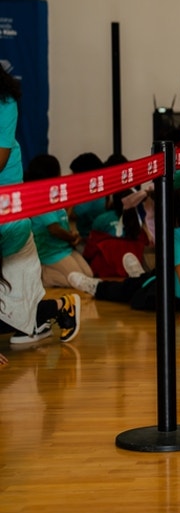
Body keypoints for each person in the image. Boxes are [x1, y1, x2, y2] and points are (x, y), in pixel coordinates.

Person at [0, 68, 80, 346]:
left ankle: (57, 307)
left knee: (15, 311)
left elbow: (0, 160)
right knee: (16, 313)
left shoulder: (5, 102)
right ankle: (47, 313)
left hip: (9, 217)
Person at [69, 188, 180, 323]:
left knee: (134, 289)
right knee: (156, 275)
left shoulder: (175, 236)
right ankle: (140, 276)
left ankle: (97, 287)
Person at [25, 154, 95, 289]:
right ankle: (44, 276)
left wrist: (72, 235)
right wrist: (71, 237)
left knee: (88, 275)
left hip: (65, 248)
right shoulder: (42, 198)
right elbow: (54, 229)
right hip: (51, 254)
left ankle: (49, 275)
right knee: (80, 281)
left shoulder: (54, 195)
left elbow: (62, 221)